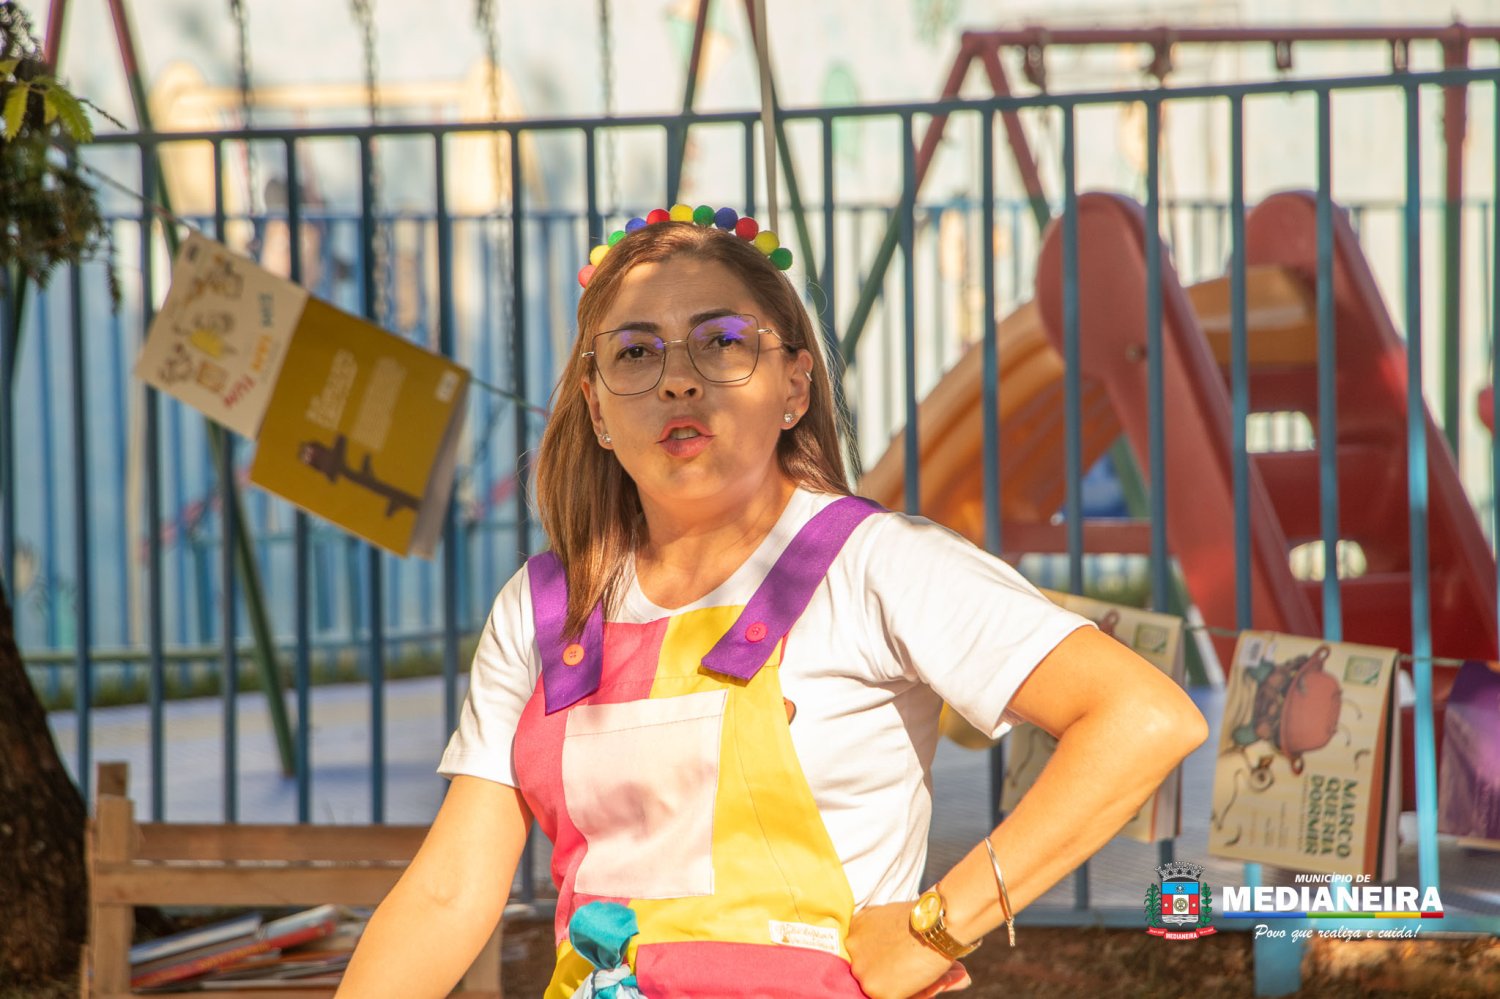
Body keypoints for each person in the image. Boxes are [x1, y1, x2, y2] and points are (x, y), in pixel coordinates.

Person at [337, 206, 1209, 999]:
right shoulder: (542, 610)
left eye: (721, 342)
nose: (678, 381)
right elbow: (448, 894)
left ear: (794, 385)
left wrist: (937, 925)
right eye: (635, 352)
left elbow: (1142, 717)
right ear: (597, 409)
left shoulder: (878, 563)